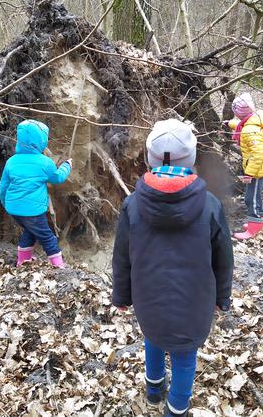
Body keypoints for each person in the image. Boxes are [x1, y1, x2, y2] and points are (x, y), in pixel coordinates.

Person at [112, 118, 234, 417]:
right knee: (184, 355)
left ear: (150, 158)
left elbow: (122, 257)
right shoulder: (209, 205)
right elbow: (223, 258)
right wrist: (223, 298)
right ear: (191, 158)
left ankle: (153, 392)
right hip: (194, 302)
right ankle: (176, 409)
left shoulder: (133, 205)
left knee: (153, 338)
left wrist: (122, 297)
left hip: (148, 297)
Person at [0, 119, 72, 268]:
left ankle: (22, 261)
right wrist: (67, 166)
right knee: (47, 237)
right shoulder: (45, 162)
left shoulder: (11, 161)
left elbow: (3, 185)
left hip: (13, 208)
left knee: (30, 231)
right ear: (41, 141)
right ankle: (59, 267)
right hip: (33, 211)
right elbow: (57, 178)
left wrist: (5, 203)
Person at [225, 92, 263, 236]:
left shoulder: (249, 131)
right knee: (256, 196)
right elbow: (239, 123)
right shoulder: (252, 120)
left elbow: (257, 154)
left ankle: (254, 226)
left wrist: (249, 173)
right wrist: (228, 123)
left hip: (256, 169)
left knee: (249, 198)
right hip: (259, 166)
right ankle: (262, 219)